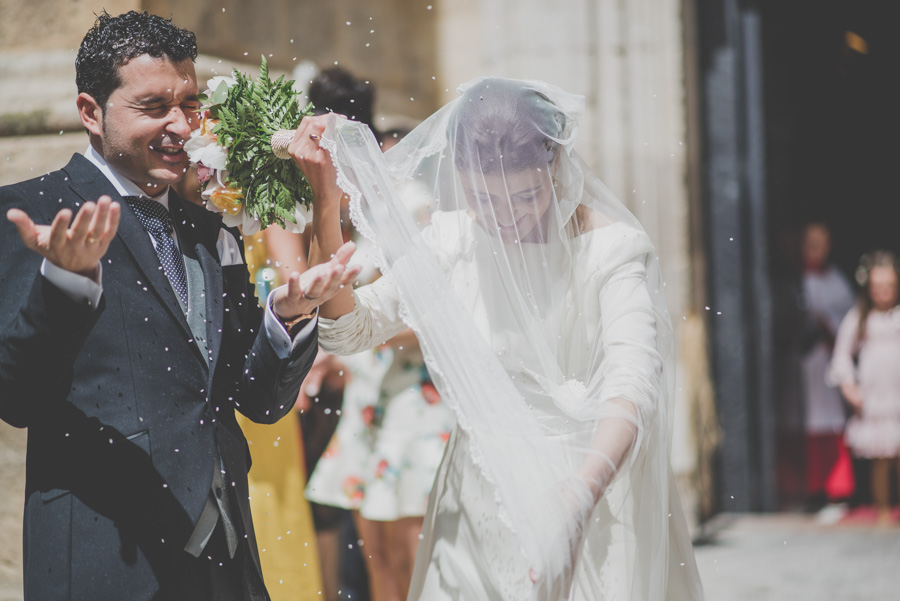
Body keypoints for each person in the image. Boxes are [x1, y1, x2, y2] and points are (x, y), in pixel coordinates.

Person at [290, 78, 704, 600]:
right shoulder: (453, 240)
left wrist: (583, 492)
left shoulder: (613, 251)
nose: (506, 215)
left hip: (590, 481)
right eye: (484, 198)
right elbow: (351, 330)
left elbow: (633, 383)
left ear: (556, 165)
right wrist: (326, 204)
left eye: (527, 195)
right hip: (480, 493)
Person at [0, 10, 358, 601]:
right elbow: (18, 397)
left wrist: (287, 320)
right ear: (90, 112)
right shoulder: (32, 213)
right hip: (108, 560)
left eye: (189, 104)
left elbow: (259, 401)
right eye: (153, 106)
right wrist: (63, 285)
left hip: (227, 559)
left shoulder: (210, 226)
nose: (180, 125)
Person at [829, 251, 900, 526]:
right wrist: (849, 386)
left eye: (889, 286)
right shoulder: (859, 316)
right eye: (878, 286)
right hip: (876, 399)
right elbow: (842, 354)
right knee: (881, 458)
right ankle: (882, 510)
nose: (884, 292)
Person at [799, 223, 855, 514]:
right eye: (811, 243)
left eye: (821, 243)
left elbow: (849, 317)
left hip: (826, 360)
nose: (816, 250)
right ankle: (809, 490)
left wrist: (827, 324)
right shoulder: (795, 280)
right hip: (801, 364)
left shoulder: (836, 281)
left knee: (830, 423)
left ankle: (837, 490)